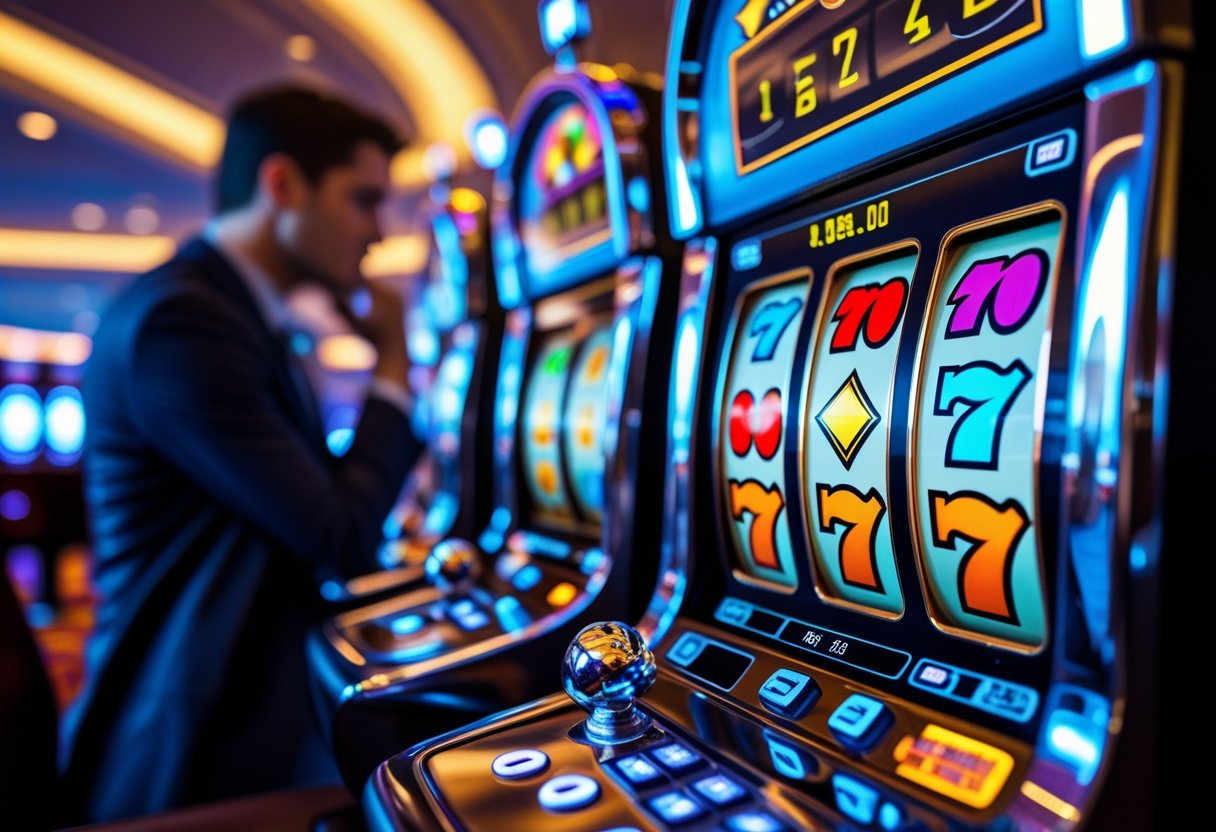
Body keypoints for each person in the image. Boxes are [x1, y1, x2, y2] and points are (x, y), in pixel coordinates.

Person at [59, 84, 423, 823]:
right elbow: (337, 535)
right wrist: (391, 367)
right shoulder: (183, 322)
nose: (378, 232)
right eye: (363, 199)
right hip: (196, 741)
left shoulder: (234, 314)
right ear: (283, 185)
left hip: (250, 700)